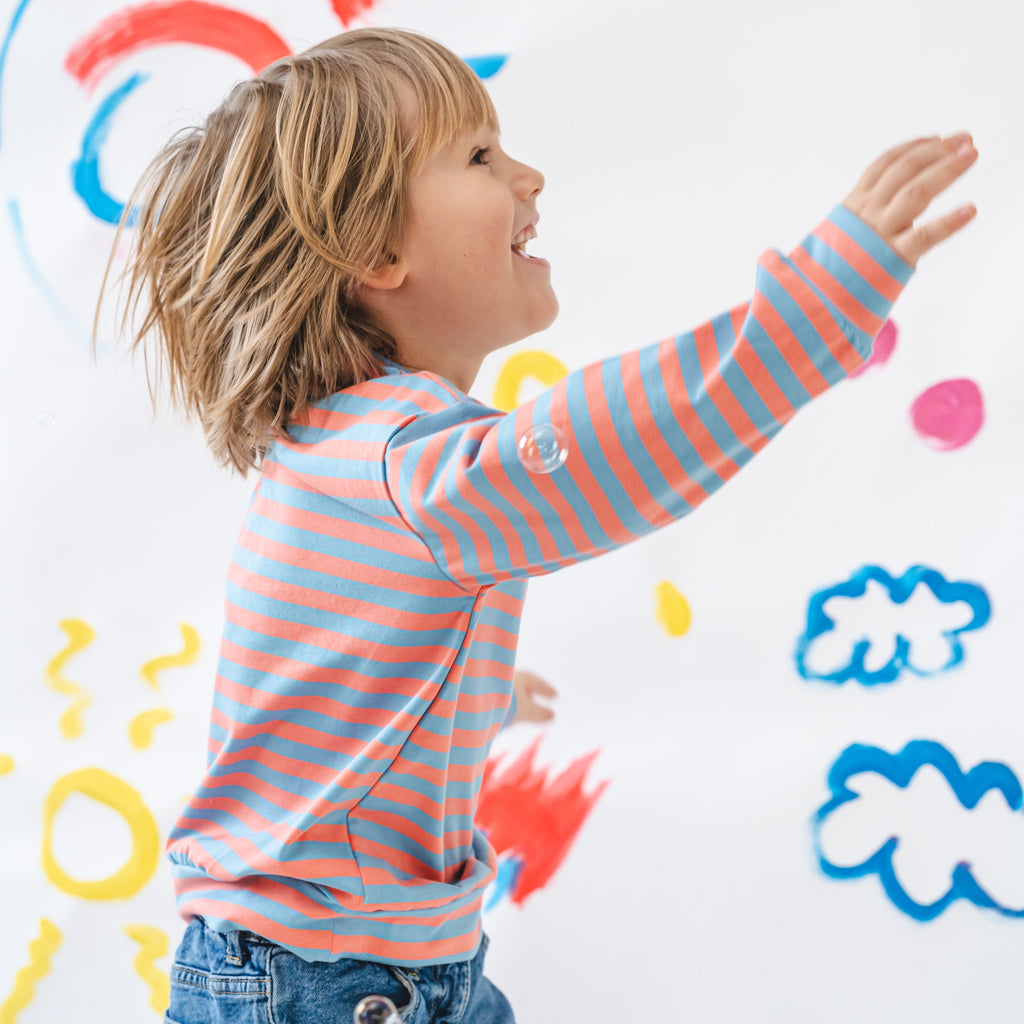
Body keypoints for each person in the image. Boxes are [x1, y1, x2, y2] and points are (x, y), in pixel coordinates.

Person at [102, 24, 977, 1024]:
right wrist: (814, 308)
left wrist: (466, 696)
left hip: (382, 960)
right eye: (479, 157)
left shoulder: (348, 451)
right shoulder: (402, 458)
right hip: (323, 980)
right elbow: (610, 448)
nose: (529, 176)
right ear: (375, 252)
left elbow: (332, 672)